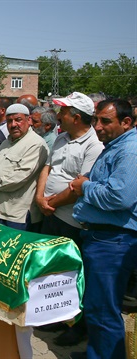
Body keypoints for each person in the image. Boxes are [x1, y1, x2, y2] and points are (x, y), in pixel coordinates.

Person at [69, 98, 137, 359]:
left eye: (105, 121)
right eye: (96, 120)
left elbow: (119, 197)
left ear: (126, 122)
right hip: (103, 238)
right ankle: (97, 353)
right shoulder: (116, 146)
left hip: (113, 241)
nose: (97, 126)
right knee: (97, 305)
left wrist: (84, 186)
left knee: (103, 308)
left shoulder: (129, 150)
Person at [34, 92, 103, 347]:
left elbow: (79, 187)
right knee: (52, 271)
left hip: (71, 220)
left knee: (73, 274)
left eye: (63, 112)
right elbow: (47, 168)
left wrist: (50, 202)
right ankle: (54, 314)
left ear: (76, 117)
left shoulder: (94, 146)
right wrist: (41, 197)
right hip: (50, 213)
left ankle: (77, 324)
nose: (58, 115)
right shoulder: (62, 138)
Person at [0, 104, 48, 230]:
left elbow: (19, 177)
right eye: (9, 121)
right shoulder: (7, 141)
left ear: (29, 120)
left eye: (18, 120)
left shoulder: (36, 144)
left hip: (16, 214)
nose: (13, 124)